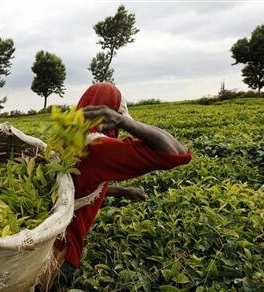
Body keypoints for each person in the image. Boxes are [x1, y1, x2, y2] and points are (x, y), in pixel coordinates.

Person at [39, 82, 192, 291]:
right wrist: (123, 121)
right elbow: (176, 152)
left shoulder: (63, 140)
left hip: (41, 246)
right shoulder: (98, 147)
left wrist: (123, 192)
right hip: (62, 254)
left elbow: (80, 187)